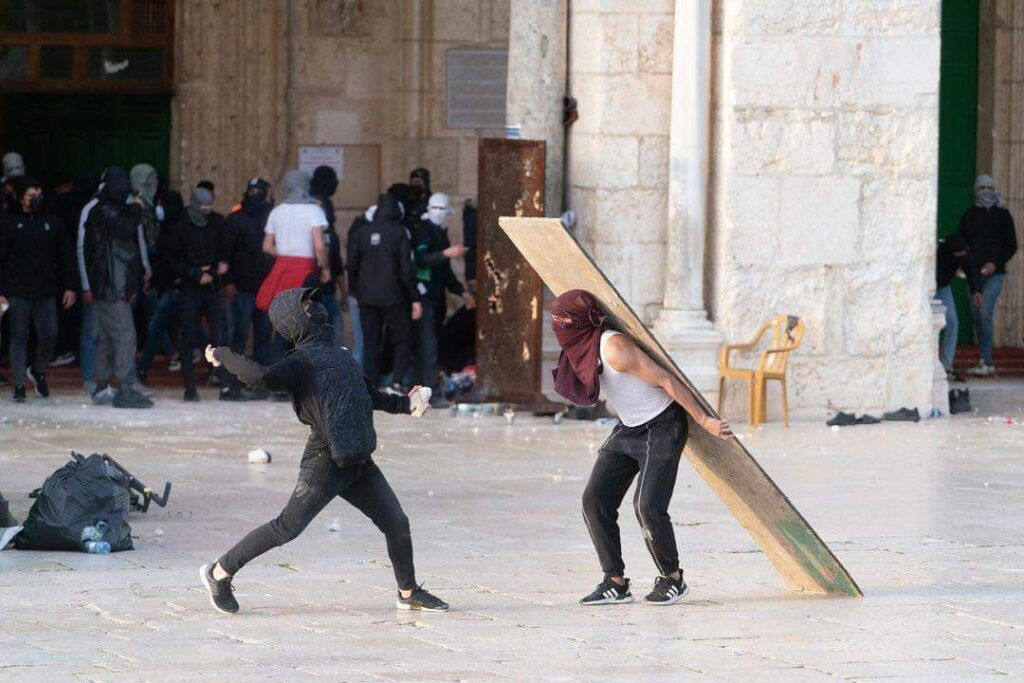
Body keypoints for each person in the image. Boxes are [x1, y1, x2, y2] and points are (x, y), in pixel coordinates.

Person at [198, 287, 448, 614]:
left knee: (397, 523)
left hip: (358, 459)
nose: (314, 306)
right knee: (287, 528)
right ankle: (219, 572)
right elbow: (257, 376)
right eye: (305, 304)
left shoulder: (340, 354)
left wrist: (407, 405)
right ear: (292, 319)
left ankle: (407, 591)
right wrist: (224, 355)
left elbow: (368, 394)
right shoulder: (297, 364)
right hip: (325, 461)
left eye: (313, 301)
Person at [549, 290, 732, 606]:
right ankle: (615, 582)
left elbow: (666, 380)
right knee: (595, 500)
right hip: (629, 427)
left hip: (662, 425)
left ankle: (673, 578)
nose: (558, 327)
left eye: (562, 320)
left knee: (648, 506)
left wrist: (704, 420)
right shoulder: (582, 349)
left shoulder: (614, 348)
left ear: (578, 322)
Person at [0, 177, 78, 401]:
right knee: (19, 336)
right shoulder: (9, 223)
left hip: (45, 291)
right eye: (31, 197)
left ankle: (38, 370)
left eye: (39, 196)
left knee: (49, 334)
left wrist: (70, 286)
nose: (36, 200)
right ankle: (19, 385)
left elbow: (65, 255)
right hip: (17, 291)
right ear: (21, 199)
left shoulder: (52, 223)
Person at [81, 168, 152, 408]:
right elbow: (125, 227)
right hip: (110, 286)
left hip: (115, 285)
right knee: (125, 335)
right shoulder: (101, 210)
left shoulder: (107, 209)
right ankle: (125, 387)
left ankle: (102, 387)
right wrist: (137, 207)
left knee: (109, 340)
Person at [348, 193, 421, 390]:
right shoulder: (400, 232)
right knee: (402, 340)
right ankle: (396, 382)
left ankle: (369, 382)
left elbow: (352, 265)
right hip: (394, 296)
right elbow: (407, 268)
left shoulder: (361, 232)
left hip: (367, 296)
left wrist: (354, 291)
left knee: (370, 341)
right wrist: (414, 298)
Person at [256, 170, 331, 350]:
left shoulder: (277, 211)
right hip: (305, 272)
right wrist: (325, 268)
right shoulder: (314, 210)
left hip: (281, 270)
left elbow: (266, 246)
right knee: (306, 325)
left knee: (282, 323)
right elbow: (319, 247)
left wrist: (284, 253)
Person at [169, 187, 231, 402]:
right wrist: (194, 273)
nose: (206, 212)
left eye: (208, 208)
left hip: (212, 285)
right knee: (188, 336)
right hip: (190, 286)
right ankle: (190, 387)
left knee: (219, 336)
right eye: (202, 208)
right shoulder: (180, 226)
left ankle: (224, 385)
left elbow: (224, 249)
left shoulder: (216, 222)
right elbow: (172, 260)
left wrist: (218, 269)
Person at [412, 192, 474, 400]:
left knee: (434, 341)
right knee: (427, 342)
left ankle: (431, 382)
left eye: (442, 210)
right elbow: (421, 258)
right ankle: (428, 389)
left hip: (437, 295)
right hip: (423, 296)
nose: (438, 213)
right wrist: (446, 253)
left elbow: (445, 272)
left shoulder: (440, 233)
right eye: (435, 209)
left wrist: (461, 292)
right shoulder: (422, 231)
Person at [221, 177, 275, 396]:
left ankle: (259, 386)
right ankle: (232, 385)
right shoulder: (236, 219)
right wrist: (228, 282)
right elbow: (224, 253)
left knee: (263, 339)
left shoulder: (272, 217)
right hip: (241, 289)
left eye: (258, 191)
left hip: (265, 289)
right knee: (238, 337)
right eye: (251, 190)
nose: (255, 195)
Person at [959, 174, 1017, 376]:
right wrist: (962, 266)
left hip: (994, 273)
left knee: (984, 312)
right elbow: (961, 243)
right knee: (976, 314)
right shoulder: (969, 215)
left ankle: (987, 360)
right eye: (981, 187)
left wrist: (994, 263)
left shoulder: (1003, 215)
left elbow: (1011, 245)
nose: (985, 191)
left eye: (988, 187)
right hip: (973, 274)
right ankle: (984, 360)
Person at [309, 165, 347, 344]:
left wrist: (344, 292)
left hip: (326, 291)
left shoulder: (330, 234)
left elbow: (337, 263)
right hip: (316, 292)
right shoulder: (319, 203)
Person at [936, 234, 979, 379]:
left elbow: (970, 269)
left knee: (952, 323)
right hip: (927, 286)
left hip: (943, 287)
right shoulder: (938, 252)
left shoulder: (963, 254)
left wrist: (976, 291)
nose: (961, 257)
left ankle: (946, 367)